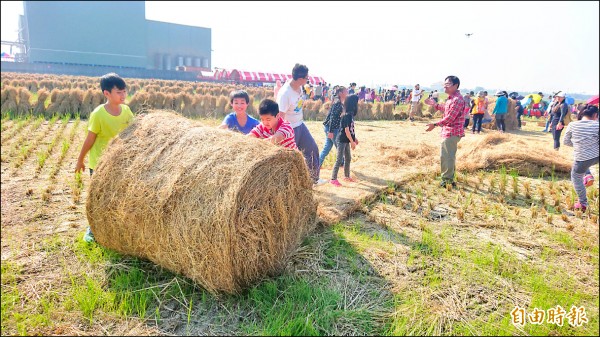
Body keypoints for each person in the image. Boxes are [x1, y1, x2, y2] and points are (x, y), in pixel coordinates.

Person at [75, 73, 135, 243]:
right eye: (119, 92)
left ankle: (116, 227)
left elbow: (134, 130)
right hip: (100, 163)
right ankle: (92, 229)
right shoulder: (98, 114)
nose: (123, 96)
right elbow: (90, 139)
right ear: (106, 93)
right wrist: (80, 160)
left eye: (125, 92)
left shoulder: (126, 111)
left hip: (120, 162)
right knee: (99, 197)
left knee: (119, 195)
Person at [276, 63, 327, 185]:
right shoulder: (285, 94)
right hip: (289, 129)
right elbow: (280, 116)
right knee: (290, 158)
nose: (307, 80)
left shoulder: (299, 87)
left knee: (312, 149)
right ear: (300, 79)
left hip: (300, 124)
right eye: (306, 78)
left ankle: (314, 179)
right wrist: (280, 134)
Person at [424, 75, 466, 188]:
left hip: (452, 131)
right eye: (444, 85)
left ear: (455, 86)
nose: (445, 88)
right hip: (448, 131)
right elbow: (446, 109)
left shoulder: (457, 100)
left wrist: (434, 124)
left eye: (447, 85)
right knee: (448, 156)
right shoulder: (451, 98)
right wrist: (435, 105)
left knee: (447, 156)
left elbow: (450, 118)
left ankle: (447, 181)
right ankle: (449, 177)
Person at [563, 104, 599, 212]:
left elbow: (566, 141)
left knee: (576, 176)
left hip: (582, 159)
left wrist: (579, 144)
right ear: (595, 115)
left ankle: (583, 203)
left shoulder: (572, 125)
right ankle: (588, 175)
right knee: (585, 163)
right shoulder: (597, 125)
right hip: (597, 156)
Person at [330, 94, 359, 187]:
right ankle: (333, 179)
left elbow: (351, 129)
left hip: (346, 140)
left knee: (348, 158)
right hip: (342, 140)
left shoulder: (350, 115)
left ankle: (346, 176)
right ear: (353, 104)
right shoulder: (346, 115)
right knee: (339, 159)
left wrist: (354, 138)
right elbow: (346, 130)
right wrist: (352, 142)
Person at [319, 86, 347, 166]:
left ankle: (317, 164)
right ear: (341, 93)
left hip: (331, 127)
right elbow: (332, 118)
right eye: (345, 92)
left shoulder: (340, 102)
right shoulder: (337, 103)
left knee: (328, 147)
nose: (347, 93)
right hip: (332, 128)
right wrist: (330, 131)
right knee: (339, 147)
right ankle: (342, 164)